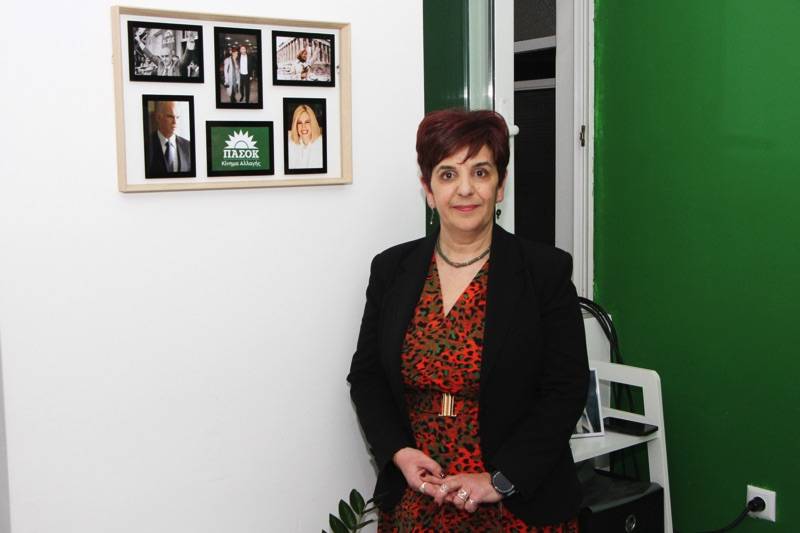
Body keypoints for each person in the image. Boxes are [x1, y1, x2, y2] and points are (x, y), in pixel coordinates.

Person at [347, 109, 589, 531]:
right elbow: (367, 377)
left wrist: (500, 479)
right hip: (417, 501)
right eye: (447, 174)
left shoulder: (544, 272)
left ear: (500, 185)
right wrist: (400, 453)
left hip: (516, 503)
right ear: (428, 188)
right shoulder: (391, 269)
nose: (465, 189)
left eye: (480, 172)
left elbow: (565, 389)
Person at [146, 100, 192, 178]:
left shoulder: (188, 146)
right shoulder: (146, 144)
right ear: (158, 117)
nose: (175, 122)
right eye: (170, 116)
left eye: (177, 117)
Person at [286, 104, 323, 169]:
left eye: (307, 122)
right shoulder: (290, 143)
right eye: (299, 123)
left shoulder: (321, 144)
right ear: (295, 125)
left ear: (313, 123)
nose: (303, 127)